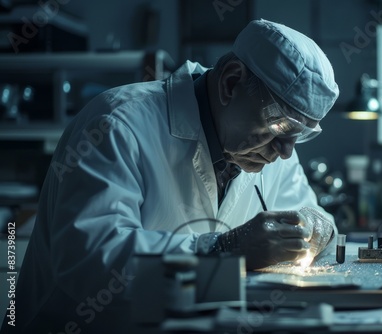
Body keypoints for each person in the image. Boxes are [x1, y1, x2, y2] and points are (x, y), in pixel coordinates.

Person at [3, 18, 339, 333]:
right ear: (231, 82)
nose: (286, 151)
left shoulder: (269, 152)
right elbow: (88, 261)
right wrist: (221, 249)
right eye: (282, 126)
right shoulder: (117, 124)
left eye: (302, 136)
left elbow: (312, 217)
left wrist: (317, 225)